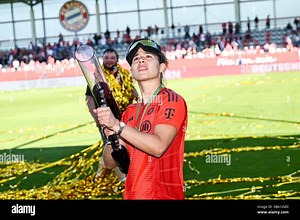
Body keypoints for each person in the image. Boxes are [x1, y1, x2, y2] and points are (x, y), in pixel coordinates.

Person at [93, 38, 188, 200]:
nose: (141, 60)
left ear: (162, 67)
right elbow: (110, 162)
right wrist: (112, 137)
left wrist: (118, 126)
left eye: (148, 56)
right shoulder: (130, 111)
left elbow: (158, 146)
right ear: (132, 72)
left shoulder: (172, 100)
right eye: (135, 59)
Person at [85, 48, 138, 182]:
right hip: (106, 118)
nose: (109, 60)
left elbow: (133, 91)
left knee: (125, 144)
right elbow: (90, 99)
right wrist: (96, 118)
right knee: (113, 145)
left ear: (116, 59)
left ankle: (99, 175)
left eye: (112, 58)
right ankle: (123, 178)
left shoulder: (124, 74)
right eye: (107, 58)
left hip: (126, 117)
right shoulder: (96, 77)